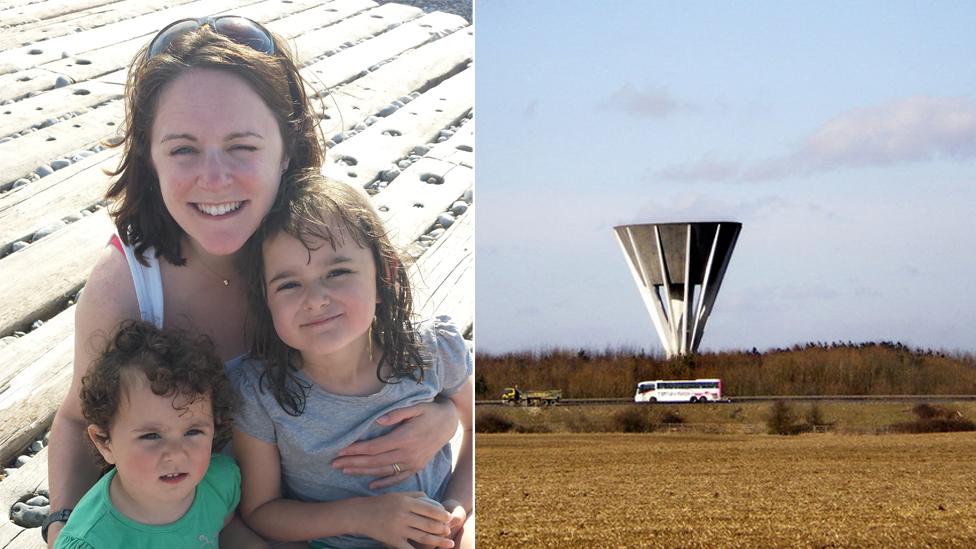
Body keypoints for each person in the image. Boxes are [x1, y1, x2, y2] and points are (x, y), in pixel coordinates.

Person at [46, 15, 460, 547]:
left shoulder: (321, 247)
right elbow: (81, 423)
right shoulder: (127, 286)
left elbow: (409, 359)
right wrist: (61, 524)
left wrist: (444, 416)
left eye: (242, 145)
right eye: (182, 149)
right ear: (149, 159)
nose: (214, 178)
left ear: (286, 150)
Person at [232, 173, 474, 549]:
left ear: (384, 276)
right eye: (289, 284)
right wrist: (363, 515)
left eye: (337, 272)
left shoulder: (433, 349)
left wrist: (460, 504)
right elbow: (261, 510)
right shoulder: (261, 392)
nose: (315, 299)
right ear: (265, 299)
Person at [55, 320, 238, 548]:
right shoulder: (92, 542)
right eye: (151, 436)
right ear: (105, 443)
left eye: (193, 431)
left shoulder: (219, 482)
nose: (176, 455)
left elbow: (225, 528)